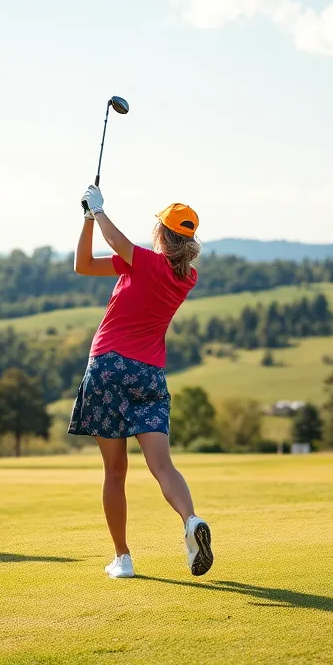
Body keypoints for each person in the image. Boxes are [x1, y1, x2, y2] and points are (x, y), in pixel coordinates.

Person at [69, 184, 213, 579]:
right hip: (149, 375)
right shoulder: (187, 277)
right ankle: (190, 519)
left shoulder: (147, 263)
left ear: (161, 235)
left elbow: (115, 241)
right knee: (162, 465)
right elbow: (84, 264)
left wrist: (97, 210)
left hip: (109, 368)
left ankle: (123, 557)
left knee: (115, 472)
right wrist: (88, 218)